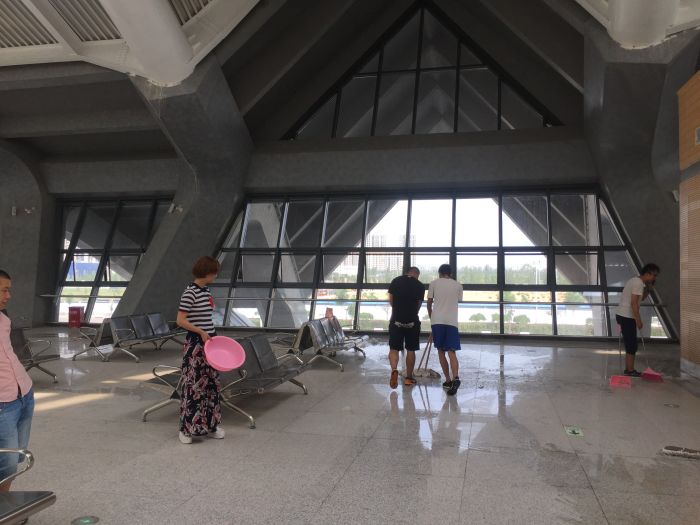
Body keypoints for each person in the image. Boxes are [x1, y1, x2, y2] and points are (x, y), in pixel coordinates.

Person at [176, 256, 224, 444]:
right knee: (194, 386)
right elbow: (180, 320)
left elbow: (205, 317)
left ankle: (211, 425)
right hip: (196, 343)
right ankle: (186, 429)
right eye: (214, 272)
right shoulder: (190, 293)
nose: (216, 275)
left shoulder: (205, 290)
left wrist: (209, 334)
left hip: (210, 342)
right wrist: (200, 331)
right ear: (208, 273)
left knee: (211, 384)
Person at [0, 270, 35, 492]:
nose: (9, 296)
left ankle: (5, 501)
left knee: (17, 456)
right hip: (3, 403)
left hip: (24, 393)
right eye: (4, 290)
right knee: (8, 462)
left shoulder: (3, 318)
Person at [615, 263, 660, 377]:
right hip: (627, 316)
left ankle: (628, 369)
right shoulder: (638, 283)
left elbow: (641, 298)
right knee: (631, 344)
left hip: (623, 315)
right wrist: (638, 320)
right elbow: (634, 303)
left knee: (631, 343)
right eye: (654, 275)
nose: (654, 278)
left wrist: (648, 290)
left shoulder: (636, 281)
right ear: (648, 273)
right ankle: (630, 370)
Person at [428, 264, 463, 396]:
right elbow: (458, 300)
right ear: (451, 274)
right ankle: (456, 378)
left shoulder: (433, 283)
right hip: (452, 322)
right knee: (452, 352)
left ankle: (448, 380)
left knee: (441, 351)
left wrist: (432, 319)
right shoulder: (458, 285)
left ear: (439, 273)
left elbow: (429, 303)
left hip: (437, 321)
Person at [387, 267, 424, 388]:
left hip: (396, 320)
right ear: (417, 274)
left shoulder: (396, 280)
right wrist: (412, 313)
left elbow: (391, 300)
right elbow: (419, 304)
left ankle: (394, 370)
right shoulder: (420, 285)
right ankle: (408, 378)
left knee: (394, 348)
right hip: (412, 322)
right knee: (411, 350)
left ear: (407, 272)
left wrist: (397, 310)